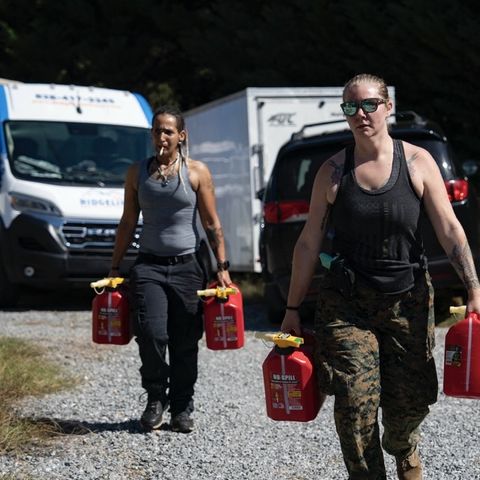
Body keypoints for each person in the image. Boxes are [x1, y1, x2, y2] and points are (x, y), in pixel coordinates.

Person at [280, 73, 480, 479]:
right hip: (347, 303)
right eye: (351, 107)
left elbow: (449, 229)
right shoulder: (333, 172)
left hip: (407, 301)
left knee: (410, 404)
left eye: (369, 104)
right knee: (354, 403)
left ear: (387, 107)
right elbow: (307, 243)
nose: (361, 114)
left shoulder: (419, 162)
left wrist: (474, 287)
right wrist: (292, 308)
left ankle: (403, 446)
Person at [108, 106, 232, 433]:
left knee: (184, 339)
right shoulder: (137, 173)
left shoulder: (196, 172)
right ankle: (155, 398)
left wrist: (222, 266)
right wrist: (114, 266)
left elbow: (211, 223)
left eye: (168, 131)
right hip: (148, 265)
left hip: (188, 267)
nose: (161, 137)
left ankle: (182, 407)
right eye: (156, 131)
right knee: (151, 333)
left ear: (181, 136)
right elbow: (127, 222)